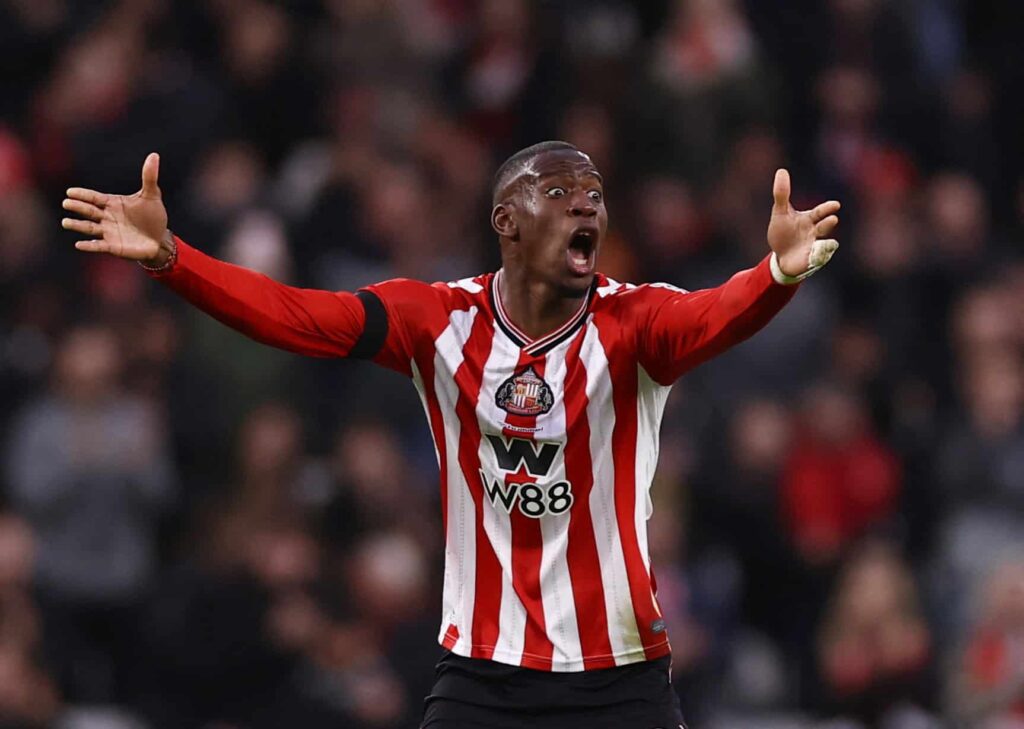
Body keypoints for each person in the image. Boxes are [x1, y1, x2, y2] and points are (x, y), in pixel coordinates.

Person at [60, 140, 840, 728]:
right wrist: (172, 258)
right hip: (482, 675)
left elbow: (717, 313)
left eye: (595, 196)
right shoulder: (436, 320)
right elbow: (294, 315)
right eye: (560, 191)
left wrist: (775, 276)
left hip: (619, 676)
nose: (587, 207)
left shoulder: (635, 323)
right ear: (507, 221)